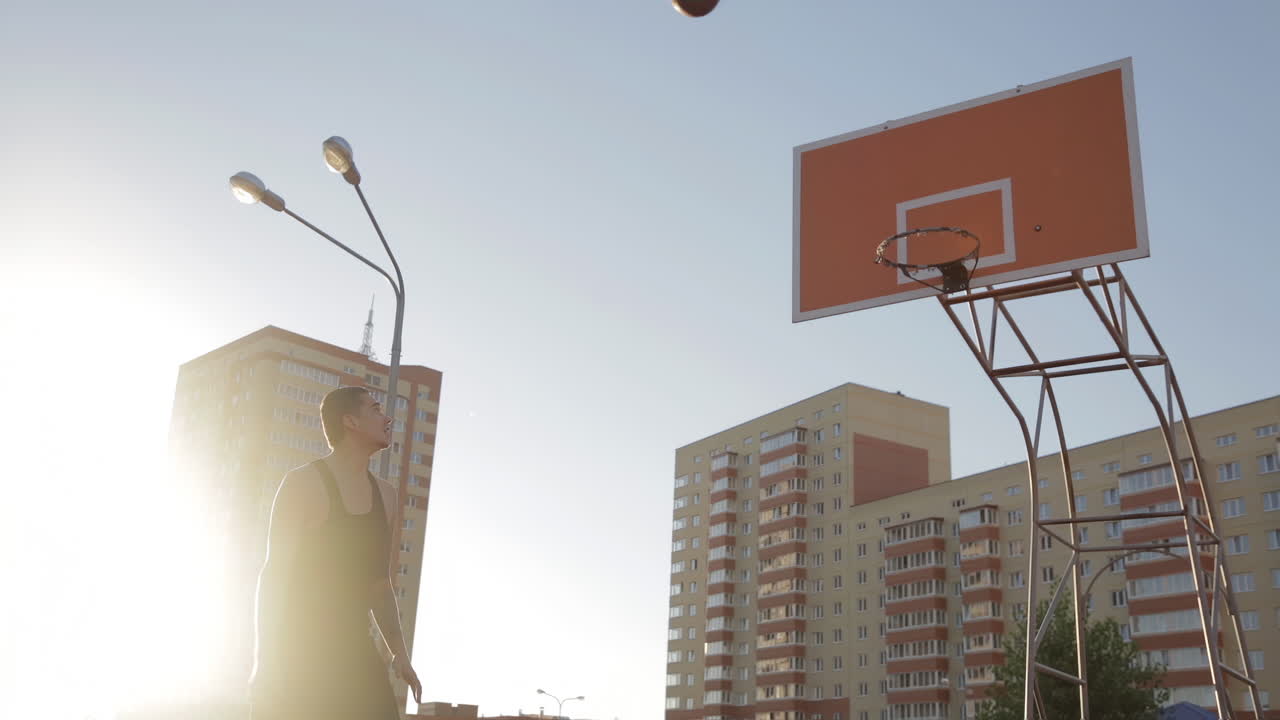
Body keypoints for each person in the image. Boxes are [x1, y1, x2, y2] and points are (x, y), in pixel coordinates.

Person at [249, 385, 423, 718]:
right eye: (375, 409)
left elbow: (379, 585)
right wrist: (265, 660)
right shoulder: (302, 483)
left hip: (356, 651)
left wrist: (401, 657)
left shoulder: (385, 496)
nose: (388, 419)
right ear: (350, 422)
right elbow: (274, 575)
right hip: (300, 654)